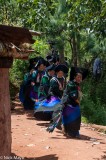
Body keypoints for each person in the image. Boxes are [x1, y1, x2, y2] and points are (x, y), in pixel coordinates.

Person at [47, 67, 88, 138]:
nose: (79, 78)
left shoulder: (76, 84)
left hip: (73, 104)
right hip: (68, 104)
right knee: (72, 118)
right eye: (78, 77)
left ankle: (72, 132)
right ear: (74, 77)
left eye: (80, 77)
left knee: (75, 119)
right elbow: (74, 96)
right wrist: (78, 102)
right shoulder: (71, 84)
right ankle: (70, 132)